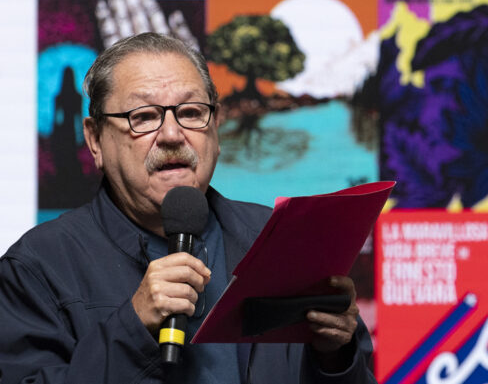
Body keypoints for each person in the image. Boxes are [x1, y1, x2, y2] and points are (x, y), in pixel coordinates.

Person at [0, 33, 375, 383]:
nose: (172, 134)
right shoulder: (37, 268)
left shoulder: (283, 242)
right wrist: (133, 327)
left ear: (216, 129)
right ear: (95, 139)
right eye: (144, 116)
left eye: (192, 113)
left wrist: (336, 357)